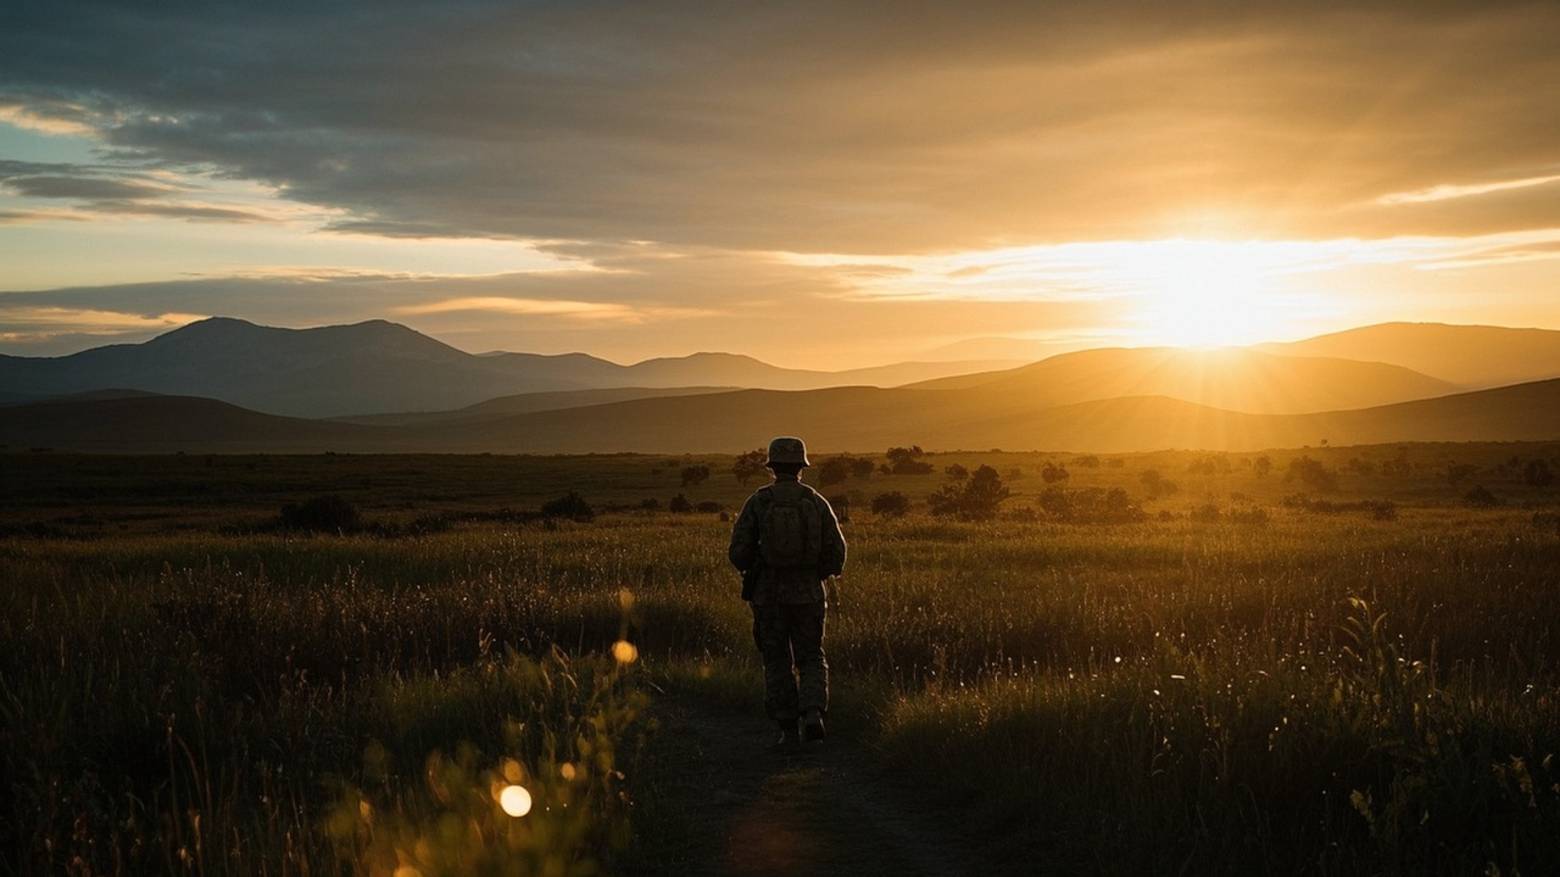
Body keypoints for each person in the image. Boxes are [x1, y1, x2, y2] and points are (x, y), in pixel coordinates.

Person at [728, 436, 847, 747]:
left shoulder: (758, 502)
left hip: (768, 595)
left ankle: (787, 729)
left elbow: (738, 552)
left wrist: (759, 566)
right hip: (808, 593)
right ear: (800, 467)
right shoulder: (815, 501)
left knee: (777, 659)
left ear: (772, 466)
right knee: (811, 656)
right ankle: (813, 714)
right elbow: (838, 553)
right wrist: (815, 573)